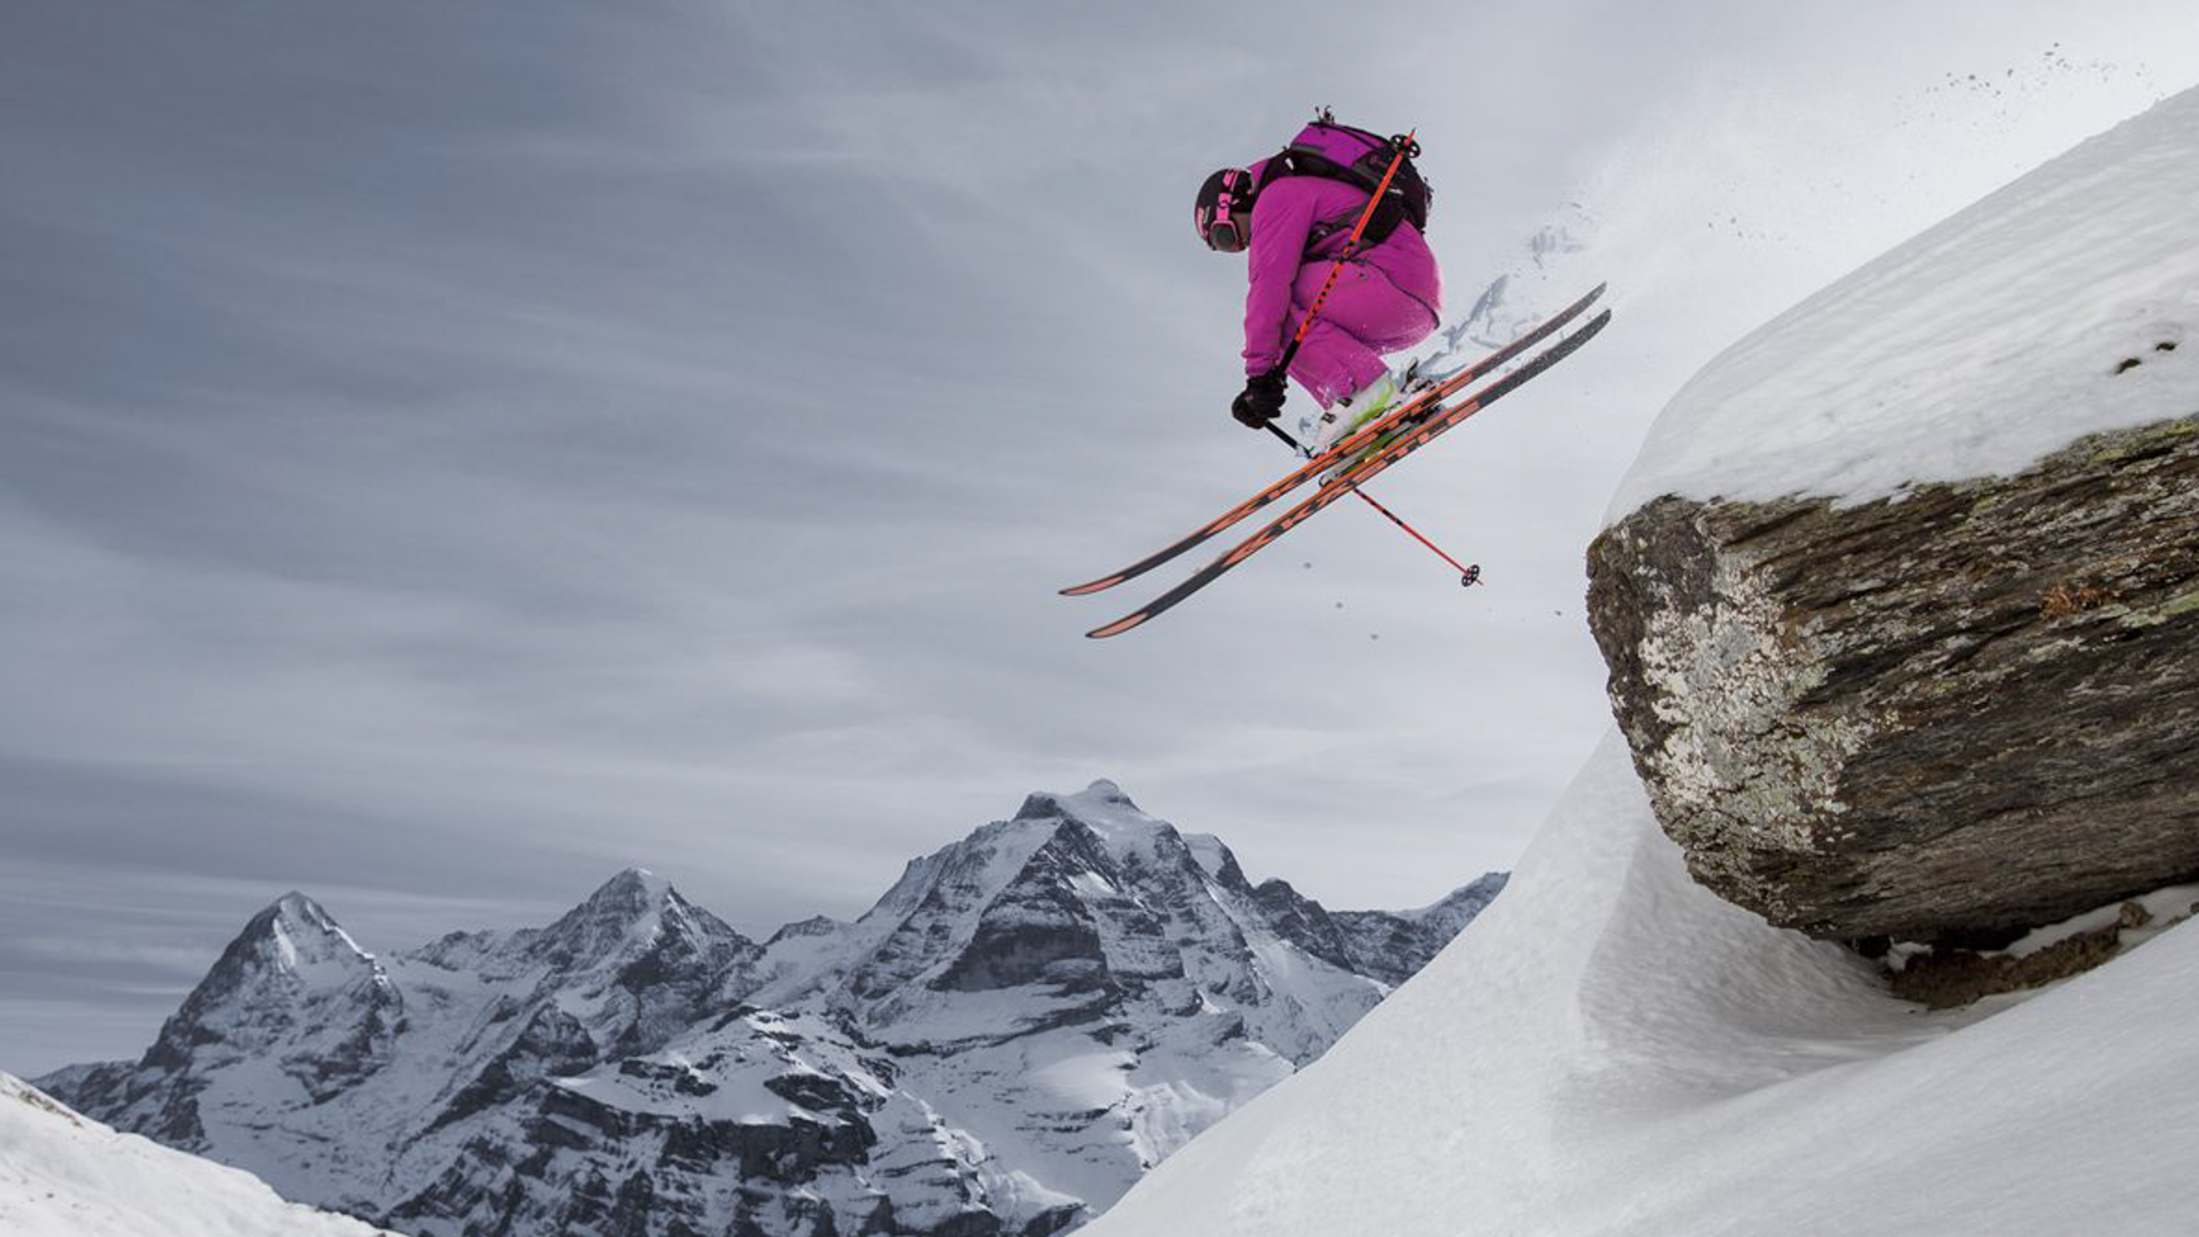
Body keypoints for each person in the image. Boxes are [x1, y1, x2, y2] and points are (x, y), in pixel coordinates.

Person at [1195, 119, 1443, 453]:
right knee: (1282, 334)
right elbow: (1300, 337)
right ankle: (1356, 405)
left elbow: (1268, 289)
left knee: (1278, 309)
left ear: (1236, 201)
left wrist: (1258, 375)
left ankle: (1365, 389)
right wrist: (1269, 380)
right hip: (1409, 305)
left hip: (1393, 284)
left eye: (1227, 234)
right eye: (1225, 245)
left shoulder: (1277, 197)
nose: (1240, 245)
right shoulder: (1294, 195)